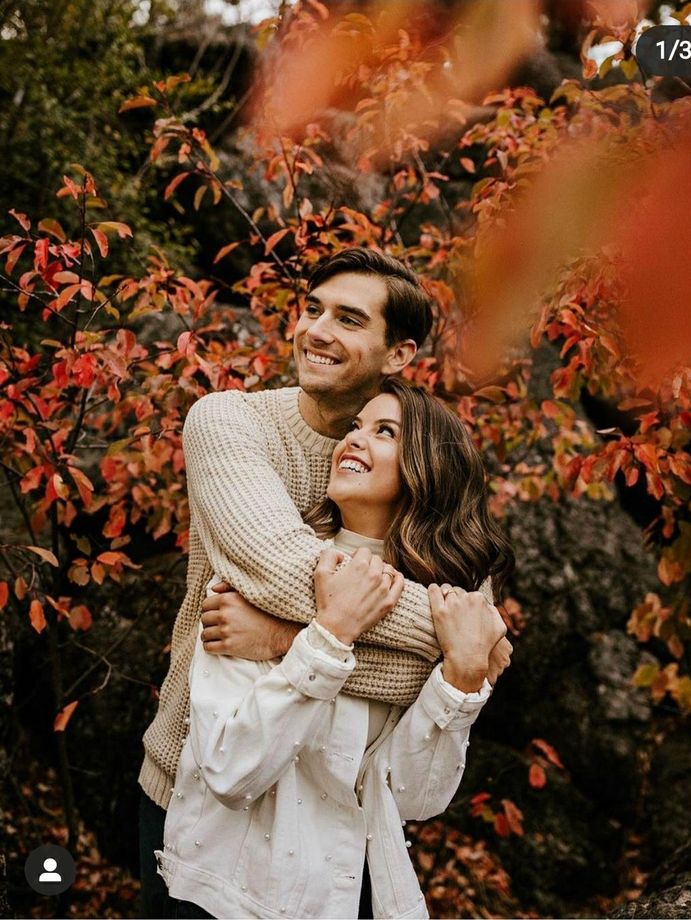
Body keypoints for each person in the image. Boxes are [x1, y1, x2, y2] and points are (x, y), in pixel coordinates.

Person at [138, 248, 514, 917]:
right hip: (198, 786)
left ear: (396, 355)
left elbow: (460, 657)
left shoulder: (431, 486)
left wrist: (281, 638)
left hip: (333, 837)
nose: (315, 330)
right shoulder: (231, 423)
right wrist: (456, 646)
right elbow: (287, 578)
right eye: (311, 309)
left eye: (346, 318)